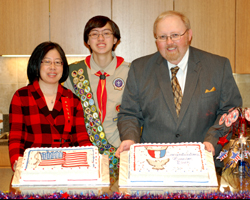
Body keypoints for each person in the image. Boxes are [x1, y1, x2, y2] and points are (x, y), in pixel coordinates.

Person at [115, 10, 242, 168]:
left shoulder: (217, 66)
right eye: (162, 37)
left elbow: (230, 111)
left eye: (175, 35)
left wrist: (213, 140)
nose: (169, 42)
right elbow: (129, 114)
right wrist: (130, 139)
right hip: (154, 165)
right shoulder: (139, 68)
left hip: (204, 162)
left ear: (189, 35)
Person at [63, 16, 130, 182]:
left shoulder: (130, 71)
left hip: (120, 152)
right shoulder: (72, 73)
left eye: (106, 33)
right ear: (87, 40)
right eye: (94, 34)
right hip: (83, 154)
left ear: (116, 39)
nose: (100, 38)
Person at [9, 41, 92, 171]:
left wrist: (91, 156)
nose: (53, 67)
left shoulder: (71, 99)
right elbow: (16, 137)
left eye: (58, 62)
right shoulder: (22, 96)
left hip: (65, 169)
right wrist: (16, 162)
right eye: (47, 62)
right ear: (37, 65)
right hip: (33, 168)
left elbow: (80, 137)